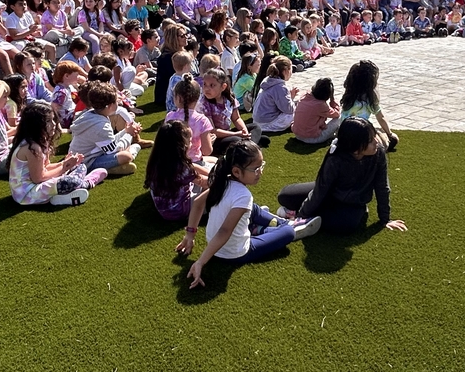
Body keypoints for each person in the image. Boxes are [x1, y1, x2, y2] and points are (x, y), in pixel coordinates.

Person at [179, 141, 322, 289]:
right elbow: (224, 231)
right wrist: (201, 261)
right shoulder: (242, 195)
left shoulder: (222, 182)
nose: (260, 172)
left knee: (251, 208)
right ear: (236, 172)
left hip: (217, 246)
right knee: (288, 232)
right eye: (256, 169)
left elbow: (197, 203)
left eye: (261, 166)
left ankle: (270, 223)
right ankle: (286, 225)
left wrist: (190, 235)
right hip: (236, 252)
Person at [275, 118, 408, 235]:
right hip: (330, 193)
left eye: (374, 136)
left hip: (353, 202)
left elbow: (382, 186)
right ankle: (302, 214)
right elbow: (321, 188)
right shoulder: (336, 157)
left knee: (346, 226)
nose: (376, 142)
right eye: (369, 140)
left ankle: (299, 215)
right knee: (284, 196)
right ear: (355, 147)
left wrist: (385, 219)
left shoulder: (378, 153)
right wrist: (302, 215)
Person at [8, 100, 106, 208]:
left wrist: (65, 163)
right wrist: (64, 167)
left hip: (39, 184)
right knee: (69, 181)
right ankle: (87, 183)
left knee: (80, 166)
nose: (54, 124)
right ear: (36, 124)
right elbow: (39, 178)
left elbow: (46, 167)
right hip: (27, 193)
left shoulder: (41, 141)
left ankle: (64, 194)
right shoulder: (32, 148)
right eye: (48, 121)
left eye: (53, 120)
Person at [145, 120, 209, 222]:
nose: (191, 144)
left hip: (165, 206)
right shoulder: (181, 168)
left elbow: (192, 167)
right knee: (216, 190)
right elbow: (207, 183)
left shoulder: (158, 160)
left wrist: (209, 171)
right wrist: (221, 174)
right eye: (190, 141)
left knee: (208, 165)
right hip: (180, 211)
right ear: (182, 144)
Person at [339, 59, 398, 150]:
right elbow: (381, 118)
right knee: (386, 141)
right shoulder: (369, 100)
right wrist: (390, 134)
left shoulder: (348, 97)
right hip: (361, 135)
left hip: (343, 135)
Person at [252, 57, 298, 139]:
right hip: (267, 124)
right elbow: (289, 110)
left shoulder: (268, 80)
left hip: (258, 121)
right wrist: (293, 100)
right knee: (299, 110)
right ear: (285, 71)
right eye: (291, 69)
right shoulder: (280, 87)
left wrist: (290, 97)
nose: (291, 72)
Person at [293, 76, 342, 144]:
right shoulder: (320, 105)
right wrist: (332, 100)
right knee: (339, 118)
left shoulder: (304, 96)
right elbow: (337, 114)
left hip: (297, 135)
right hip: (312, 138)